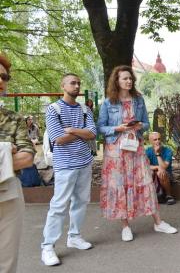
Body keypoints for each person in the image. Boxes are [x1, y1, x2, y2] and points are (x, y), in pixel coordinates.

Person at [98, 65, 177, 242]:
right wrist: (117, 128)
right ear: (116, 81)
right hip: (116, 151)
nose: (128, 81)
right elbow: (100, 127)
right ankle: (125, 226)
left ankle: (158, 222)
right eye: (124, 78)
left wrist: (140, 125)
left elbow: (147, 124)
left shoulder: (138, 99)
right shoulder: (108, 102)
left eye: (130, 78)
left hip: (135, 147)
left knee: (145, 181)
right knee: (120, 185)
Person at [41, 73, 97, 266]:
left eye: (78, 83)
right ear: (63, 85)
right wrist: (82, 132)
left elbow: (92, 133)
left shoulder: (85, 109)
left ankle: (74, 236)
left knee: (81, 201)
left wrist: (71, 130)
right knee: (59, 205)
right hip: (64, 164)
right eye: (72, 83)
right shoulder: (53, 109)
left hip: (84, 162)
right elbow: (58, 138)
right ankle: (47, 247)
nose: (76, 86)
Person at [0, 54, 35, 273]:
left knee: (6, 262)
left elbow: (27, 157)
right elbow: (16, 157)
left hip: (7, 195)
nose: (1, 81)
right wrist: (6, 150)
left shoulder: (14, 118)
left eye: (4, 77)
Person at [146, 131, 176, 205]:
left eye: (159, 139)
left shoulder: (168, 151)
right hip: (153, 175)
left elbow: (164, 167)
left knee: (161, 172)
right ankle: (150, 196)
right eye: (155, 139)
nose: (158, 141)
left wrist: (157, 154)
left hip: (166, 176)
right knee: (150, 172)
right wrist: (157, 167)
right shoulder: (147, 151)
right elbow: (145, 166)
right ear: (150, 141)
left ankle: (169, 195)